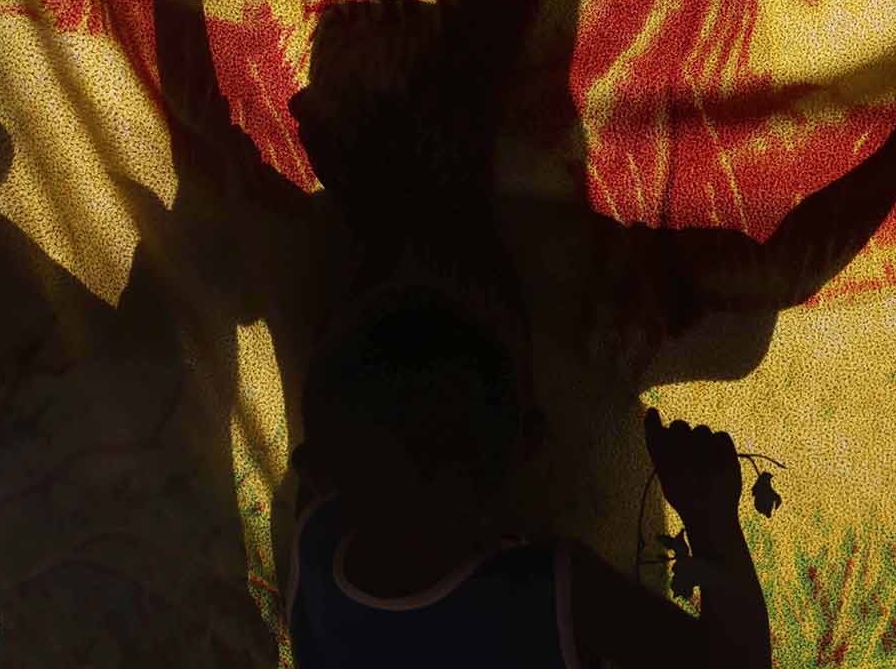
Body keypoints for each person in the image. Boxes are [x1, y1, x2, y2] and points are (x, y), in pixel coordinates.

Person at [284, 285, 772, 668]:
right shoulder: (552, 593)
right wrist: (711, 523)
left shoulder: (315, 542)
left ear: (315, 468)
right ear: (529, 446)